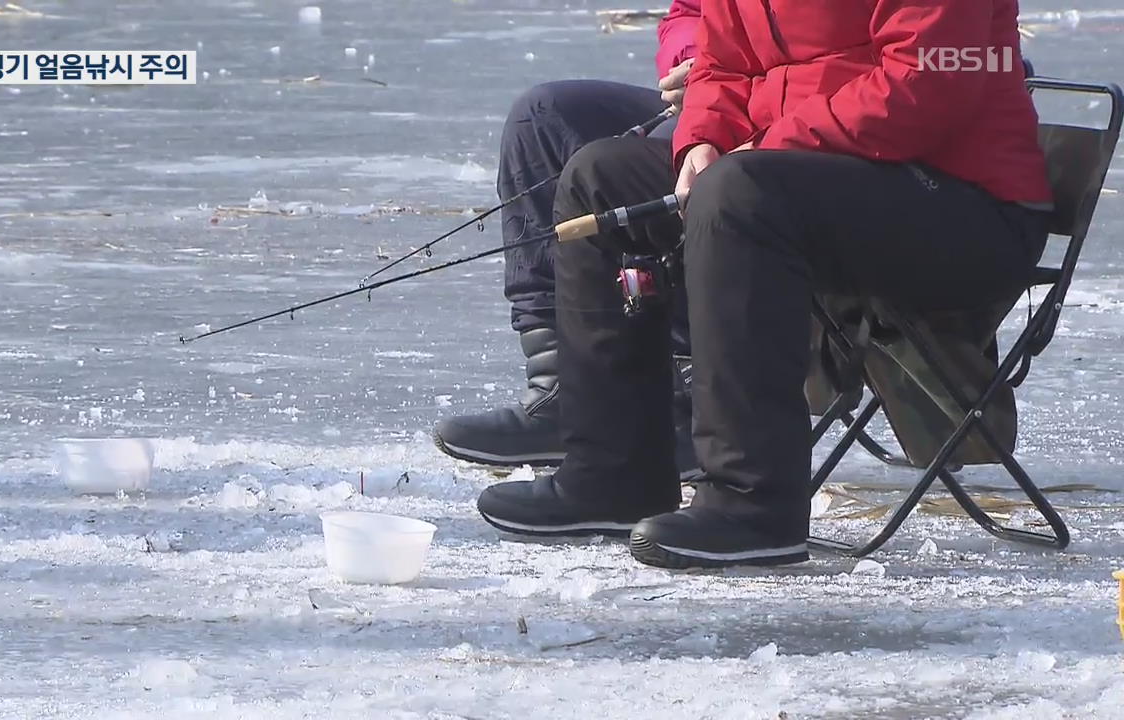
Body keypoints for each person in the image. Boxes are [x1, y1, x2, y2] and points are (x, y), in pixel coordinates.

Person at [475, 0, 1052, 568]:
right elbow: (721, 65)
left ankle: (753, 505)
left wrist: (762, 149)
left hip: (964, 206)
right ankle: (612, 476)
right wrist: (701, 139)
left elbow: (924, 87)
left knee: (740, 196)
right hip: (806, 174)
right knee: (602, 176)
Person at [432, 2, 704, 479]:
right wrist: (694, 63)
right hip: (718, 97)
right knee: (543, 118)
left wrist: (733, 94)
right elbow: (688, 12)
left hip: (787, 124)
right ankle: (563, 392)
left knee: (608, 170)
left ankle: (691, 398)